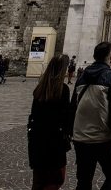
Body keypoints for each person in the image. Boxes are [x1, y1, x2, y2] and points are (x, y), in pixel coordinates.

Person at [72, 41, 111, 190]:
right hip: (103, 138)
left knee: (83, 181)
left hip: (80, 138)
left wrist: (72, 134)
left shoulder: (81, 77)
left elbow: (73, 107)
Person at [27, 54, 74, 190]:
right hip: (55, 143)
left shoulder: (39, 89)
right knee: (55, 180)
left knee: (38, 180)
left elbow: (33, 116)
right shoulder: (62, 90)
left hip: (37, 141)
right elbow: (66, 117)